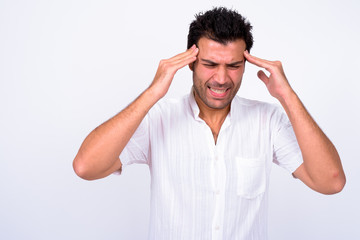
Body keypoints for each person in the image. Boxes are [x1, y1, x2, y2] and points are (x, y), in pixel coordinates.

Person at [73, 7, 346, 240]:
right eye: (210, 64)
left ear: (246, 63)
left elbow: (331, 182)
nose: (222, 78)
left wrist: (288, 96)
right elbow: (86, 167)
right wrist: (153, 92)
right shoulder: (158, 118)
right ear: (190, 62)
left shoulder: (268, 120)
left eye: (234, 66)